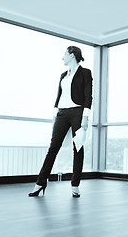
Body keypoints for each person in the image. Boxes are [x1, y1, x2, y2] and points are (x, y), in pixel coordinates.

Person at [29, 46, 92, 198]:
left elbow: (88, 96)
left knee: (78, 148)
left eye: (64, 54)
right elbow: (58, 97)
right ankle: (40, 183)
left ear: (72, 55)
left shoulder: (85, 73)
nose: (62, 57)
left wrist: (85, 117)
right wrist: (54, 115)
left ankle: (75, 185)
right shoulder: (63, 75)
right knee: (53, 148)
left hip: (77, 112)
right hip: (61, 114)